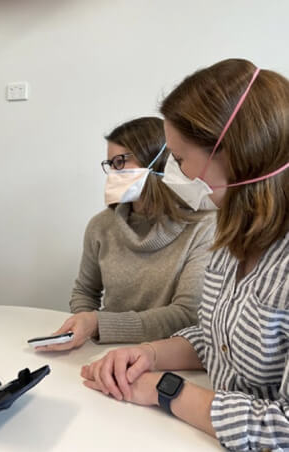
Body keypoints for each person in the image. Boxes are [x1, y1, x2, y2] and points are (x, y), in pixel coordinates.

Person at [81, 59, 289, 451]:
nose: (172, 171)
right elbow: (215, 341)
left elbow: (284, 428)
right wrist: (147, 355)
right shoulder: (231, 241)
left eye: (179, 158)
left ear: (237, 155)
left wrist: (167, 391)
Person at [38, 117, 215, 352]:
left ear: (159, 160)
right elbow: (85, 291)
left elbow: (186, 315)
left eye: (120, 161)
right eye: (110, 164)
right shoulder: (101, 226)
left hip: (170, 357)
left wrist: (99, 324)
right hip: (107, 351)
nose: (113, 172)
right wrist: (83, 325)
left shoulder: (203, 226)